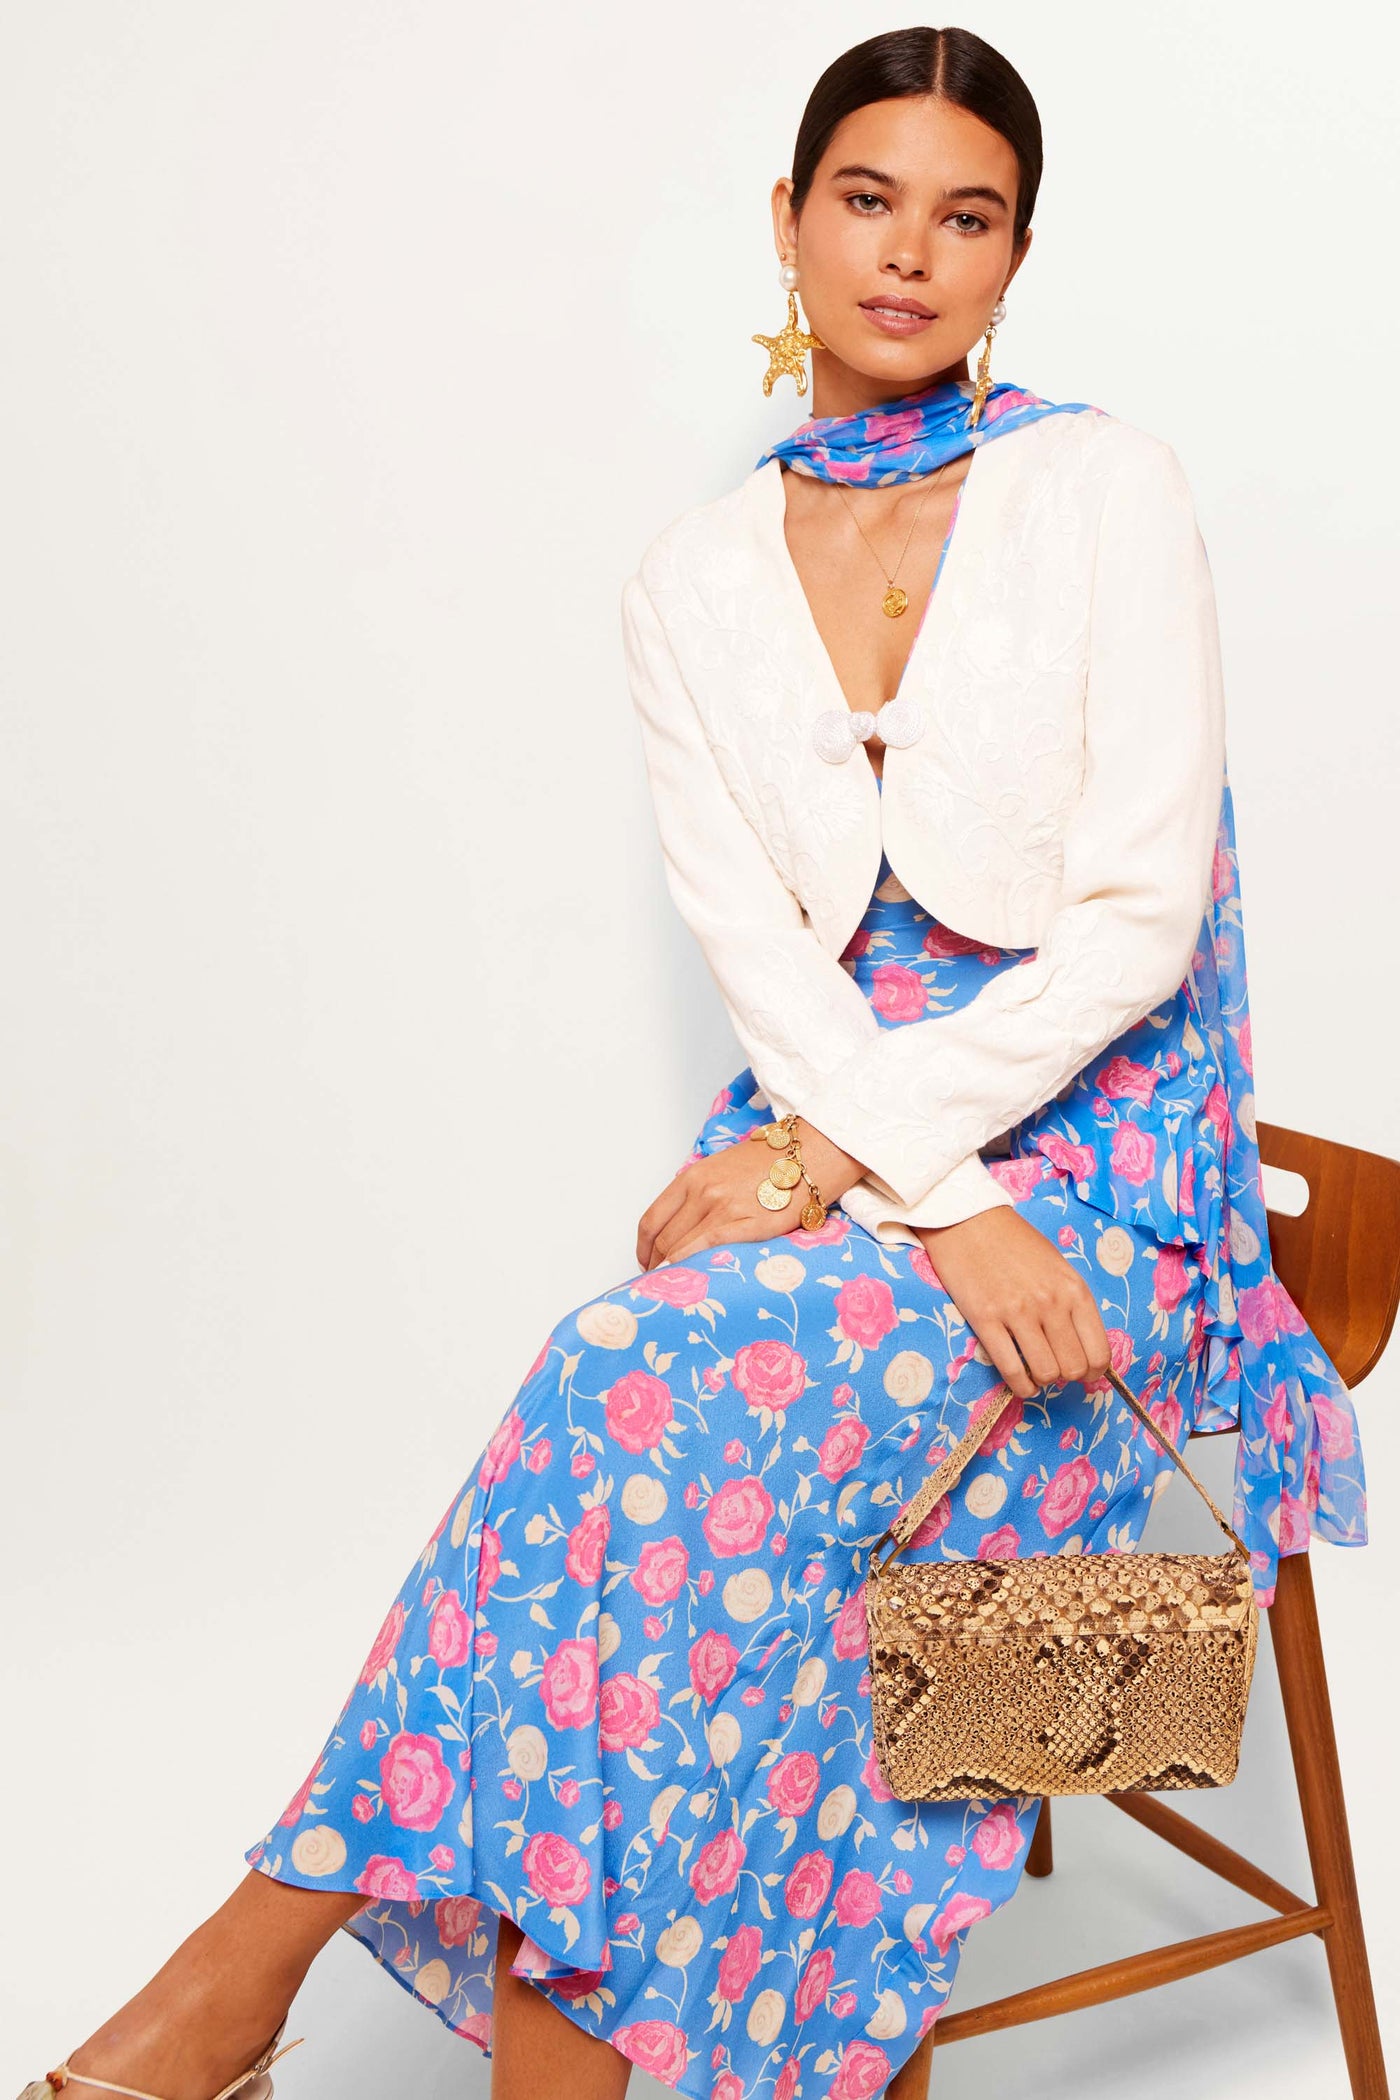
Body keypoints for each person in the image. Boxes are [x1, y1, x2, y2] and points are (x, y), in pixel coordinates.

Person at [21, 24, 1369, 2100]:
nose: (909, 252)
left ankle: (228, 1990)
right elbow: (767, 963)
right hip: (866, 1168)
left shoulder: (1105, 488)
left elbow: (1135, 927)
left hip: (1109, 1198)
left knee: (620, 1386)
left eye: (967, 213)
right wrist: (913, 1192)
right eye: (866, 198)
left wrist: (884, 1181)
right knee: (661, 1478)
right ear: (787, 222)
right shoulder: (691, 587)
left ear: (1016, 258)